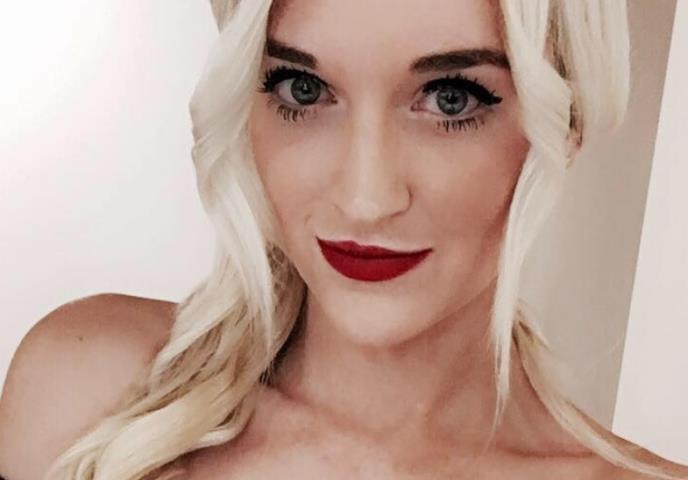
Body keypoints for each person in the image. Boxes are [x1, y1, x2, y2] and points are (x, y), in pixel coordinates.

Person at [0, 0, 686, 479]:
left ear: (566, 123)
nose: (365, 198)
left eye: (450, 98)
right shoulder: (87, 395)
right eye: (303, 89)